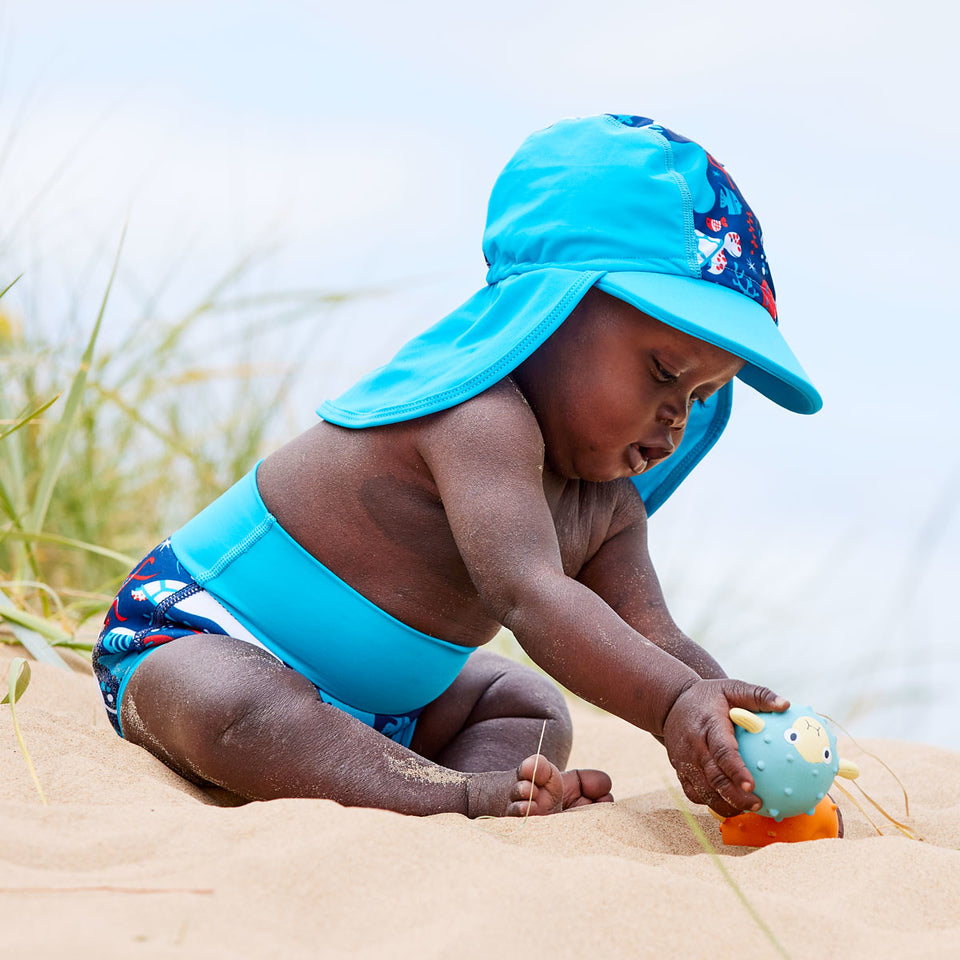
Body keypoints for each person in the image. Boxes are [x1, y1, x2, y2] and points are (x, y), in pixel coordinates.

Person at [93, 115, 821, 819]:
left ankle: (459, 791)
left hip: (388, 712)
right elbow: (530, 596)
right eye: (663, 371)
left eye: (702, 396)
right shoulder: (476, 418)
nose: (677, 416)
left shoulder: (611, 509)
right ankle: (449, 798)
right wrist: (671, 704)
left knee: (528, 706)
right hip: (199, 635)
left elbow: (655, 638)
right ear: (550, 313)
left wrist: (729, 724)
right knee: (234, 705)